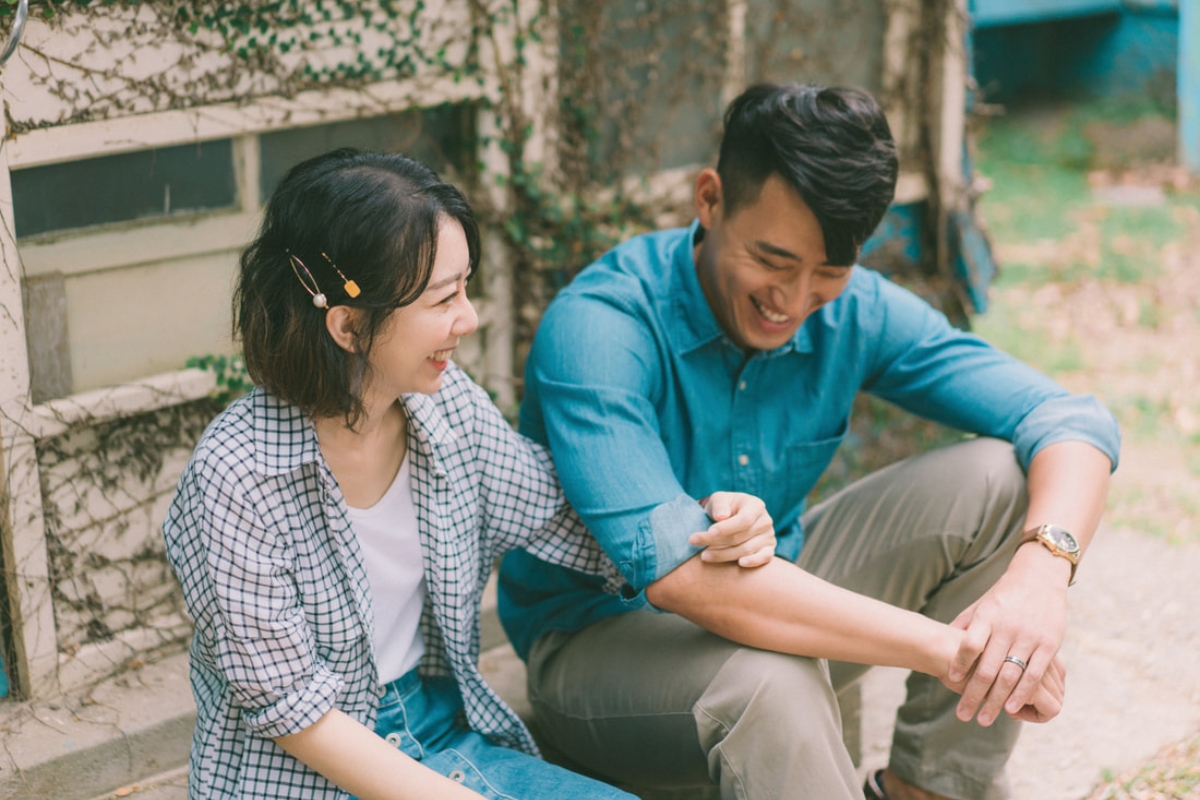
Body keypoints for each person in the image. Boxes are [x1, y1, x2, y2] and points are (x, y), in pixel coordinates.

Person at [497, 83, 1120, 800]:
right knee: (771, 678)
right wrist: (952, 650)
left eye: (826, 271)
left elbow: (1072, 420)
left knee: (1005, 481)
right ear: (710, 202)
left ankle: (926, 791)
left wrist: (1042, 578)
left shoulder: (854, 310)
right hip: (596, 652)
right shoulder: (600, 328)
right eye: (772, 261)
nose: (790, 303)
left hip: (783, 591)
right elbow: (683, 579)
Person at [162, 148, 637, 800]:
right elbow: (295, 715)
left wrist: (694, 524)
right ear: (350, 326)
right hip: (302, 777)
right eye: (444, 298)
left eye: (465, 288)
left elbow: (566, 516)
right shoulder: (235, 477)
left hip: (436, 731)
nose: (468, 319)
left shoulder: (448, 409)